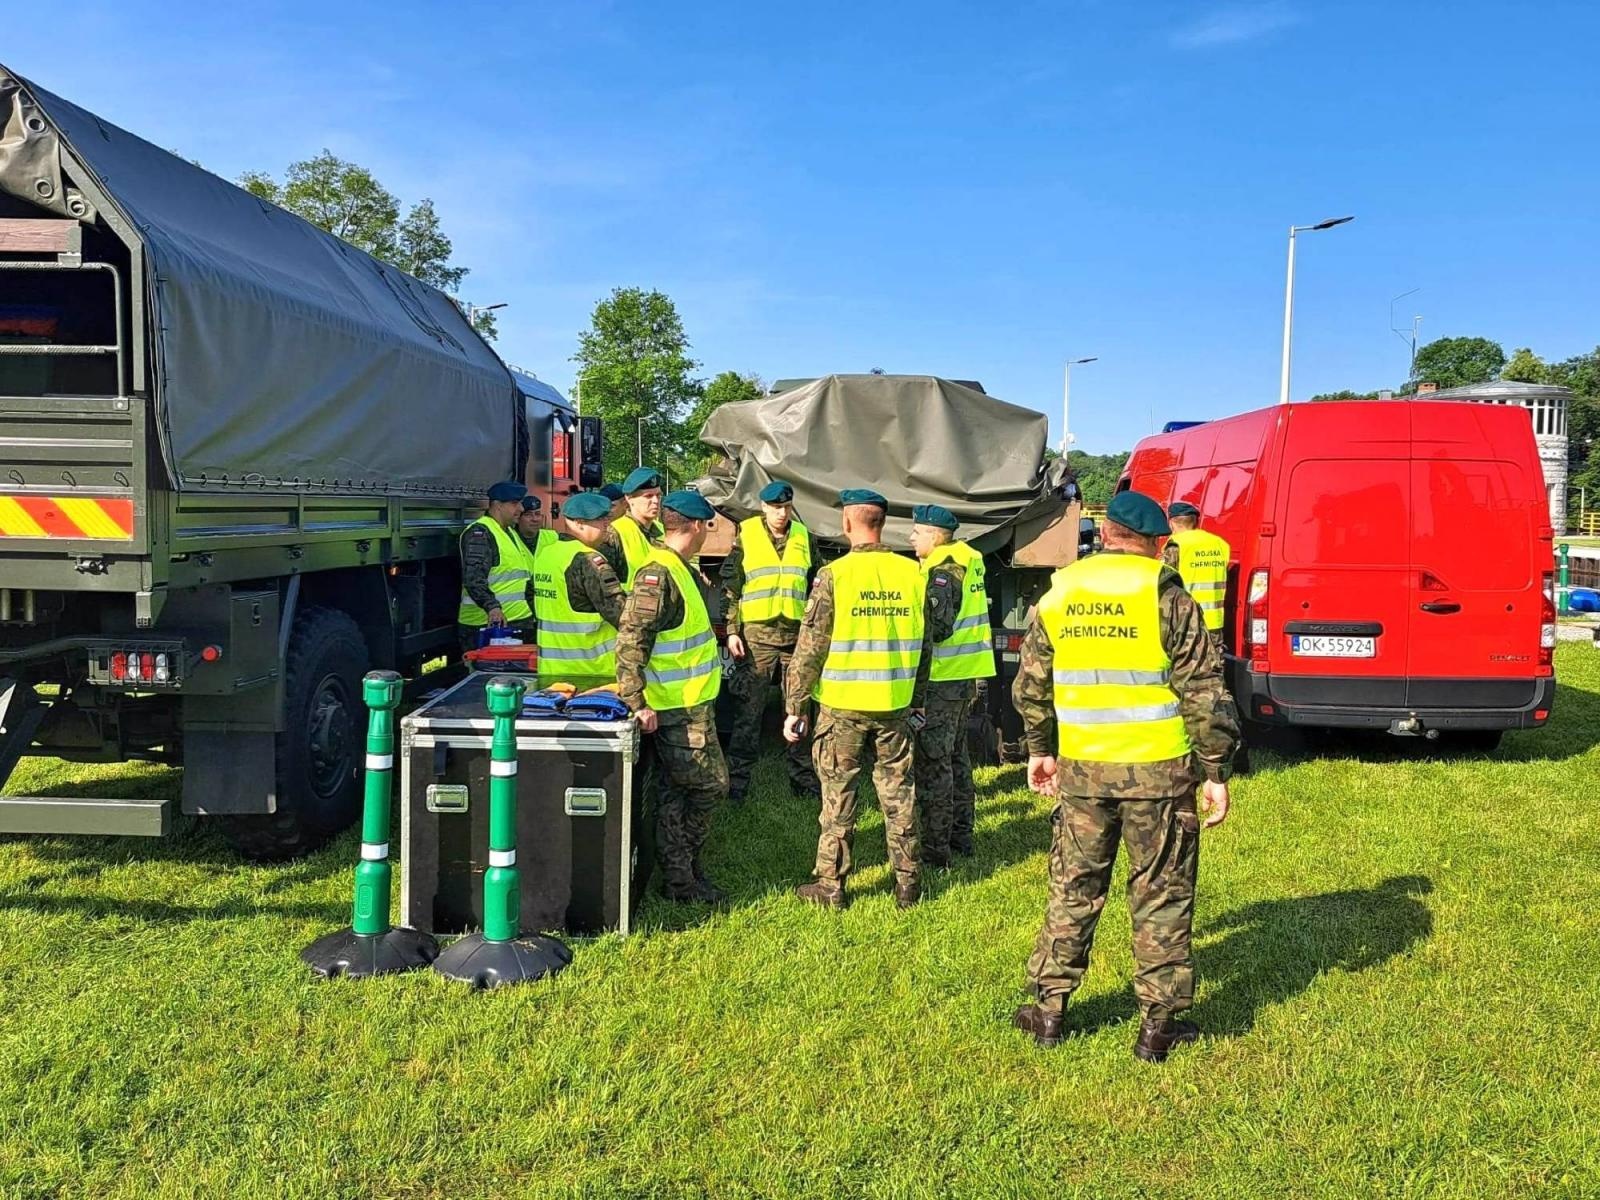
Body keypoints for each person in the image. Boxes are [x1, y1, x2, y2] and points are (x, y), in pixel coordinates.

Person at [1008, 489, 1240, 1063]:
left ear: (1105, 532)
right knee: (1161, 894)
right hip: (1160, 777)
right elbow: (1205, 694)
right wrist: (1216, 770)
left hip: (1083, 773)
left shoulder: (1063, 592)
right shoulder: (1167, 596)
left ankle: (1048, 1010)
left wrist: (1040, 749)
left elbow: (1030, 686)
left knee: (1073, 888)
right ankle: (1157, 1026)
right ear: (1159, 542)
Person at [784, 489, 932, 910]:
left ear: (847, 523)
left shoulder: (835, 575)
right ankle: (907, 885)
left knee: (838, 799)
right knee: (899, 795)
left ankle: (831, 887)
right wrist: (917, 699)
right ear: (883, 524)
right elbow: (925, 647)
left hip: (843, 708)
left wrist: (795, 708)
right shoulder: (912, 575)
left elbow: (810, 648)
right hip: (895, 704)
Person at [615, 490, 728, 904]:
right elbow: (631, 640)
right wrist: (637, 703)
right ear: (697, 527)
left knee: (674, 790)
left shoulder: (678, 567)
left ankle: (680, 877)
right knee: (710, 787)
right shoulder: (659, 573)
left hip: (689, 704)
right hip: (676, 707)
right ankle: (681, 872)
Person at [721, 480, 821, 803]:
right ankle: (737, 780)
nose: (781, 513)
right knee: (748, 711)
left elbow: (817, 582)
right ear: (763, 507)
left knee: (799, 708)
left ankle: (802, 777)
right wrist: (732, 629)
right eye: (775, 507)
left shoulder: (804, 537)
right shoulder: (747, 534)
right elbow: (731, 586)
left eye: (786, 507)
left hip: (795, 638)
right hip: (757, 639)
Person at [908, 503, 996, 866]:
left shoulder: (944, 570)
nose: (911, 537)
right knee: (957, 759)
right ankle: (962, 835)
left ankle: (935, 850)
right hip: (965, 675)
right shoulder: (969, 558)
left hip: (943, 679)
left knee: (934, 764)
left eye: (916, 531)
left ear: (933, 535)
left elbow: (939, 628)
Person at [531, 490, 625, 689]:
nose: (607, 528)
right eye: (601, 522)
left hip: (550, 671)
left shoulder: (546, 554)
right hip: (591, 674)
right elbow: (620, 613)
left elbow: (530, 596)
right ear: (579, 523)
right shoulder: (589, 560)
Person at [457, 480, 534, 656]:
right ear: (497, 505)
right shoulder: (481, 534)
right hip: (489, 627)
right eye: (515, 503)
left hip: (513, 624)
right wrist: (492, 607)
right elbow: (474, 578)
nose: (521, 509)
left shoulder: (509, 532)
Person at [1162, 501, 1230, 645]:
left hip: (1186, 619)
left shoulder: (1176, 544)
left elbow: (1164, 581)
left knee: (1188, 665)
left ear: (1171, 523)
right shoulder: (1220, 543)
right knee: (1214, 664)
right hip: (1214, 620)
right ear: (1196, 522)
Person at [610, 467, 665, 588]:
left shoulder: (663, 530)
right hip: (629, 605)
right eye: (648, 496)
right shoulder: (615, 532)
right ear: (629, 499)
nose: (656, 501)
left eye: (658, 495)